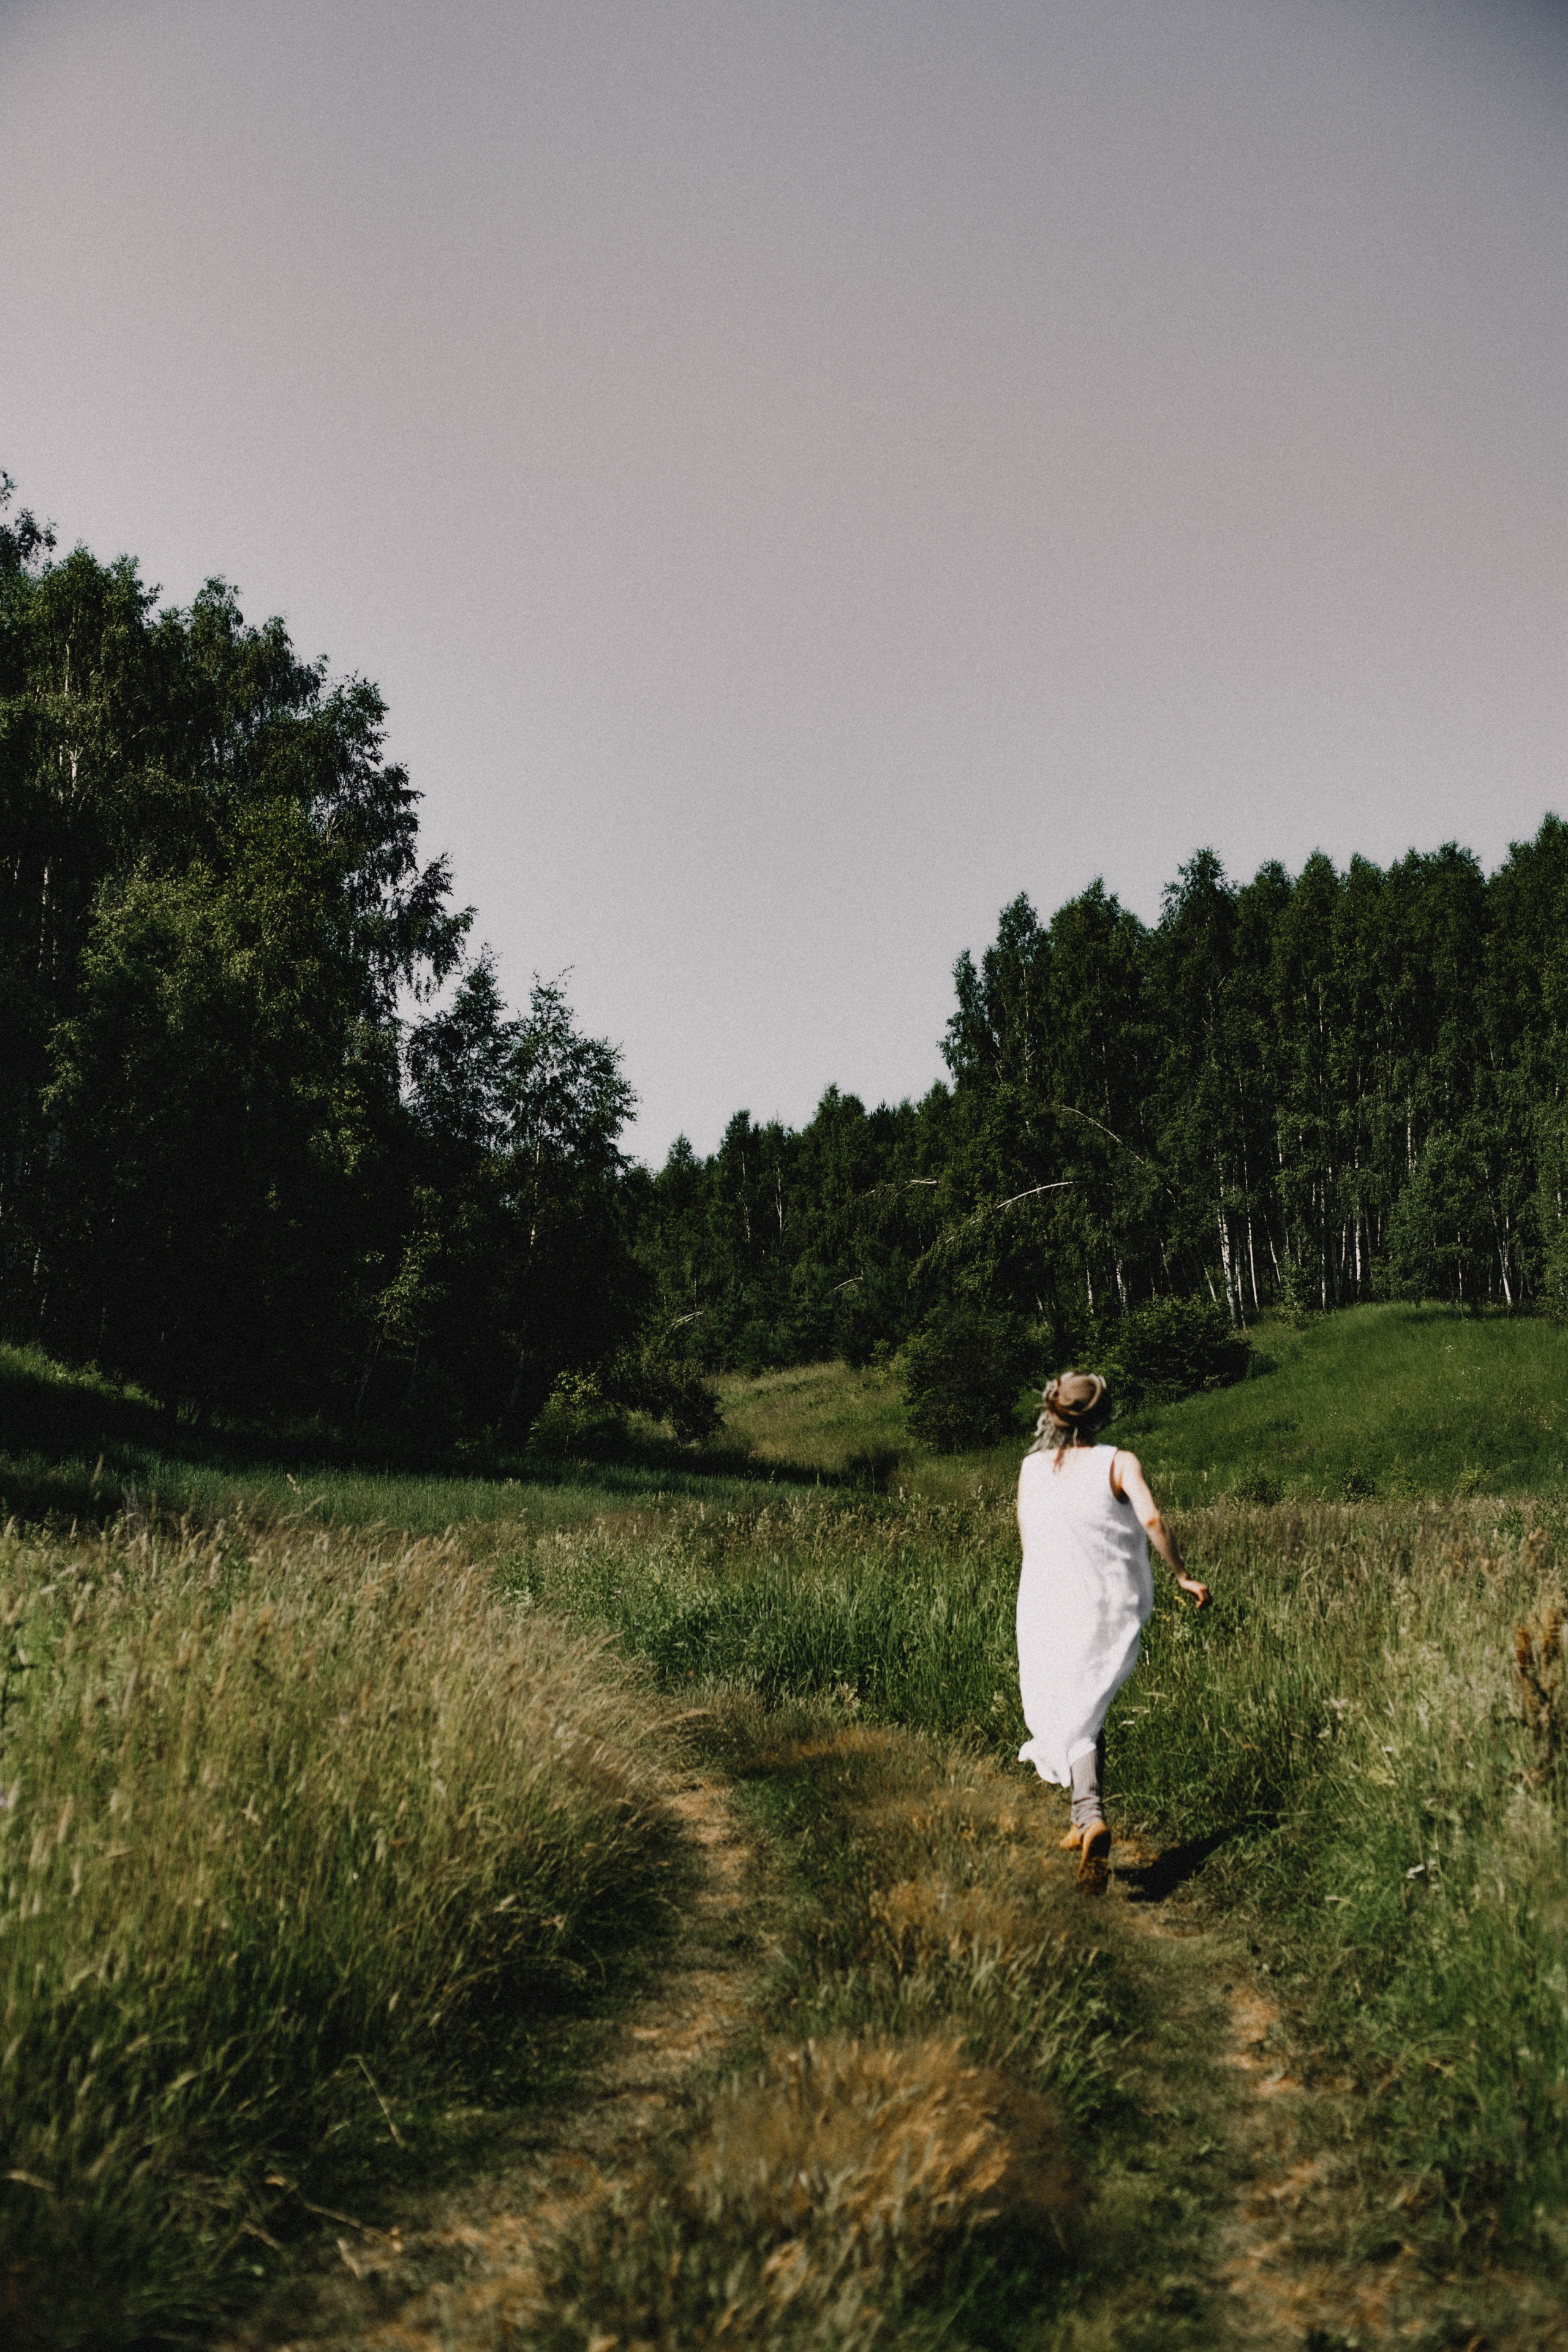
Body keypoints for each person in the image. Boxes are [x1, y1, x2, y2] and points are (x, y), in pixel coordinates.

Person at [1016, 1369, 1210, 1890]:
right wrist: (1183, 1575)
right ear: (1103, 1414)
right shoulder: (1118, 1462)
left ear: (1053, 1415)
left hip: (1051, 1601)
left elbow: (1029, 1540)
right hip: (1107, 1604)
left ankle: (1090, 1815)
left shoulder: (1032, 1469)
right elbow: (1152, 1522)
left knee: (1072, 1707)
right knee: (1088, 1705)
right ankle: (1085, 1817)